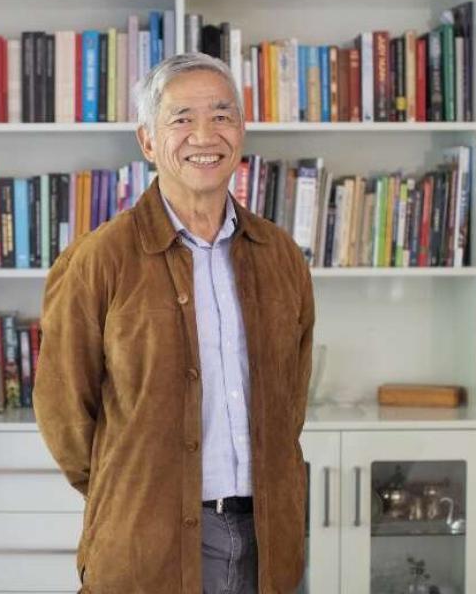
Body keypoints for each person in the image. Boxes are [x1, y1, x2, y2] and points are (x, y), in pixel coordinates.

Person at [34, 52, 315, 594]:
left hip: (269, 540)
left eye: (222, 115)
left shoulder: (279, 254)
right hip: (146, 545)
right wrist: (132, 492)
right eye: (182, 118)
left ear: (242, 131)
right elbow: (64, 412)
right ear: (146, 140)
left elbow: (289, 400)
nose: (204, 134)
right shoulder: (102, 259)